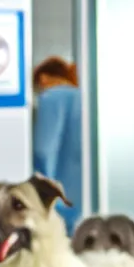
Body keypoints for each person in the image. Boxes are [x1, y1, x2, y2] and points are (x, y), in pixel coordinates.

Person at [32, 57, 82, 235]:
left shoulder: (51, 98)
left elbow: (43, 150)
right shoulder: (84, 98)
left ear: (43, 79)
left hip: (60, 205)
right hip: (84, 202)